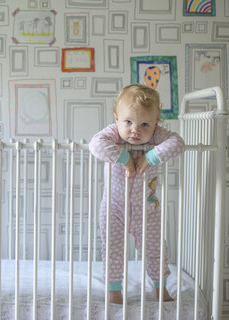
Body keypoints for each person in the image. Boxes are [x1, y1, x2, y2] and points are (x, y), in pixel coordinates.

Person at [88, 84, 185, 304]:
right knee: (113, 250)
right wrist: (124, 158)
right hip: (114, 209)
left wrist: (150, 157)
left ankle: (160, 288)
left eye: (144, 124)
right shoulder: (114, 134)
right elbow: (95, 144)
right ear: (117, 118)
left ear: (155, 123)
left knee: (156, 250)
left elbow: (178, 143)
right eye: (128, 122)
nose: (135, 130)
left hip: (147, 210)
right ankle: (114, 291)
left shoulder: (155, 137)